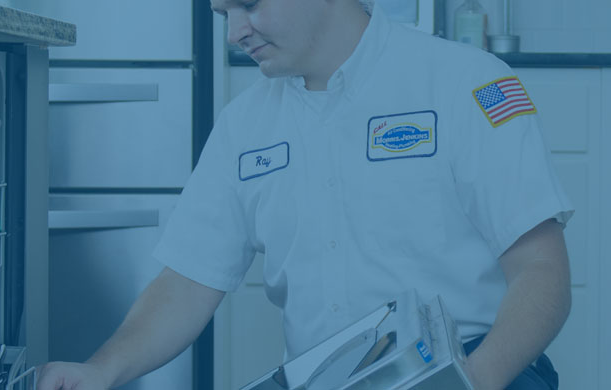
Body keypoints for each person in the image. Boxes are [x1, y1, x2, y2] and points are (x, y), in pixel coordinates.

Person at [36, 0, 573, 388]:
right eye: (224, 14)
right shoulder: (244, 125)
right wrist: (101, 369)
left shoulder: (464, 82)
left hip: (479, 365)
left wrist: (470, 383)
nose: (234, 33)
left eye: (248, 5)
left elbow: (542, 272)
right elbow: (187, 282)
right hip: (330, 377)